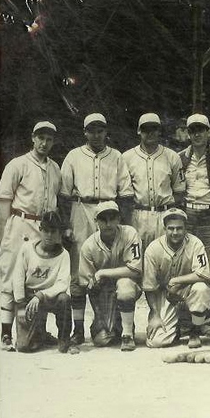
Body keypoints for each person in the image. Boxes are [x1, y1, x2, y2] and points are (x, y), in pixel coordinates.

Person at [59, 113, 134, 339]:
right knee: (79, 273)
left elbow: (126, 193)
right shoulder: (73, 155)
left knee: (112, 266)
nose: (96, 135)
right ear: (85, 132)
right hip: (82, 208)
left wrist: (123, 223)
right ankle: (79, 329)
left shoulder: (116, 156)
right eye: (91, 130)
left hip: (108, 210)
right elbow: (64, 194)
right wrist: (66, 225)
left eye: (100, 130)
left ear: (106, 132)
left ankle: (111, 322)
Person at [0, 121, 61, 351]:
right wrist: (4, 232)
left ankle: (38, 331)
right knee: (10, 278)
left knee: (39, 277)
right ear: (33, 138)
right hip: (20, 223)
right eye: (41, 137)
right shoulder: (18, 164)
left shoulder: (55, 168)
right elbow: (3, 199)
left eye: (49, 139)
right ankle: (6, 333)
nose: (44, 143)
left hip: (43, 227)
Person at [74, 201, 142, 351]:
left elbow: (135, 269)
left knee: (124, 285)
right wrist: (99, 317)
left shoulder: (130, 233)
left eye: (112, 218)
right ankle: (111, 323)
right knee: (101, 339)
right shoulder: (88, 246)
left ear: (119, 219)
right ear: (96, 221)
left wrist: (102, 272)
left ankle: (127, 334)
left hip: (127, 287)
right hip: (103, 294)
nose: (108, 223)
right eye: (103, 219)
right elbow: (88, 285)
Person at [143, 208, 210, 349]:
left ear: (185, 228)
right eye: (171, 228)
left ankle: (195, 332)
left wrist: (177, 280)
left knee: (201, 289)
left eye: (179, 228)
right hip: (164, 295)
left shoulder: (195, 243)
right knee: (156, 342)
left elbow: (204, 274)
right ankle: (177, 329)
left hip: (188, 289)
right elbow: (149, 286)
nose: (175, 232)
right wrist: (155, 314)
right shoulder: (153, 248)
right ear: (165, 229)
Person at [11, 211, 77, 354]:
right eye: (46, 230)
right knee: (24, 346)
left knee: (64, 299)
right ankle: (41, 334)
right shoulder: (27, 248)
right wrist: (20, 303)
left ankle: (64, 339)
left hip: (49, 297)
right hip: (29, 298)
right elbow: (18, 276)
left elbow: (62, 284)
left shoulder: (64, 254)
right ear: (40, 230)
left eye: (53, 231)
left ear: (59, 233)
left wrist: (41, 295)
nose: (49, 235)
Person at [123, 113, 185, 250]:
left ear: (159, 131)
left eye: (154, 129)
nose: (150, 133)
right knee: (137, 258)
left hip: (164, 214)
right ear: (139, 131)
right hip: (138, 215)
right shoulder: (127, 157)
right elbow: (124, 195)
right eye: (146, 129)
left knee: (165, 256)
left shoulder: (172, 156)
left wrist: (169, 211)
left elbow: (179, 191)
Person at [178, 113, 210, 254]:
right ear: (188, 134)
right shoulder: (180, 158)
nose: (197, 135)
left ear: (209, 132)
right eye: (192, 131)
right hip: (187, 214)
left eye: (201, 130)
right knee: (186, 253)